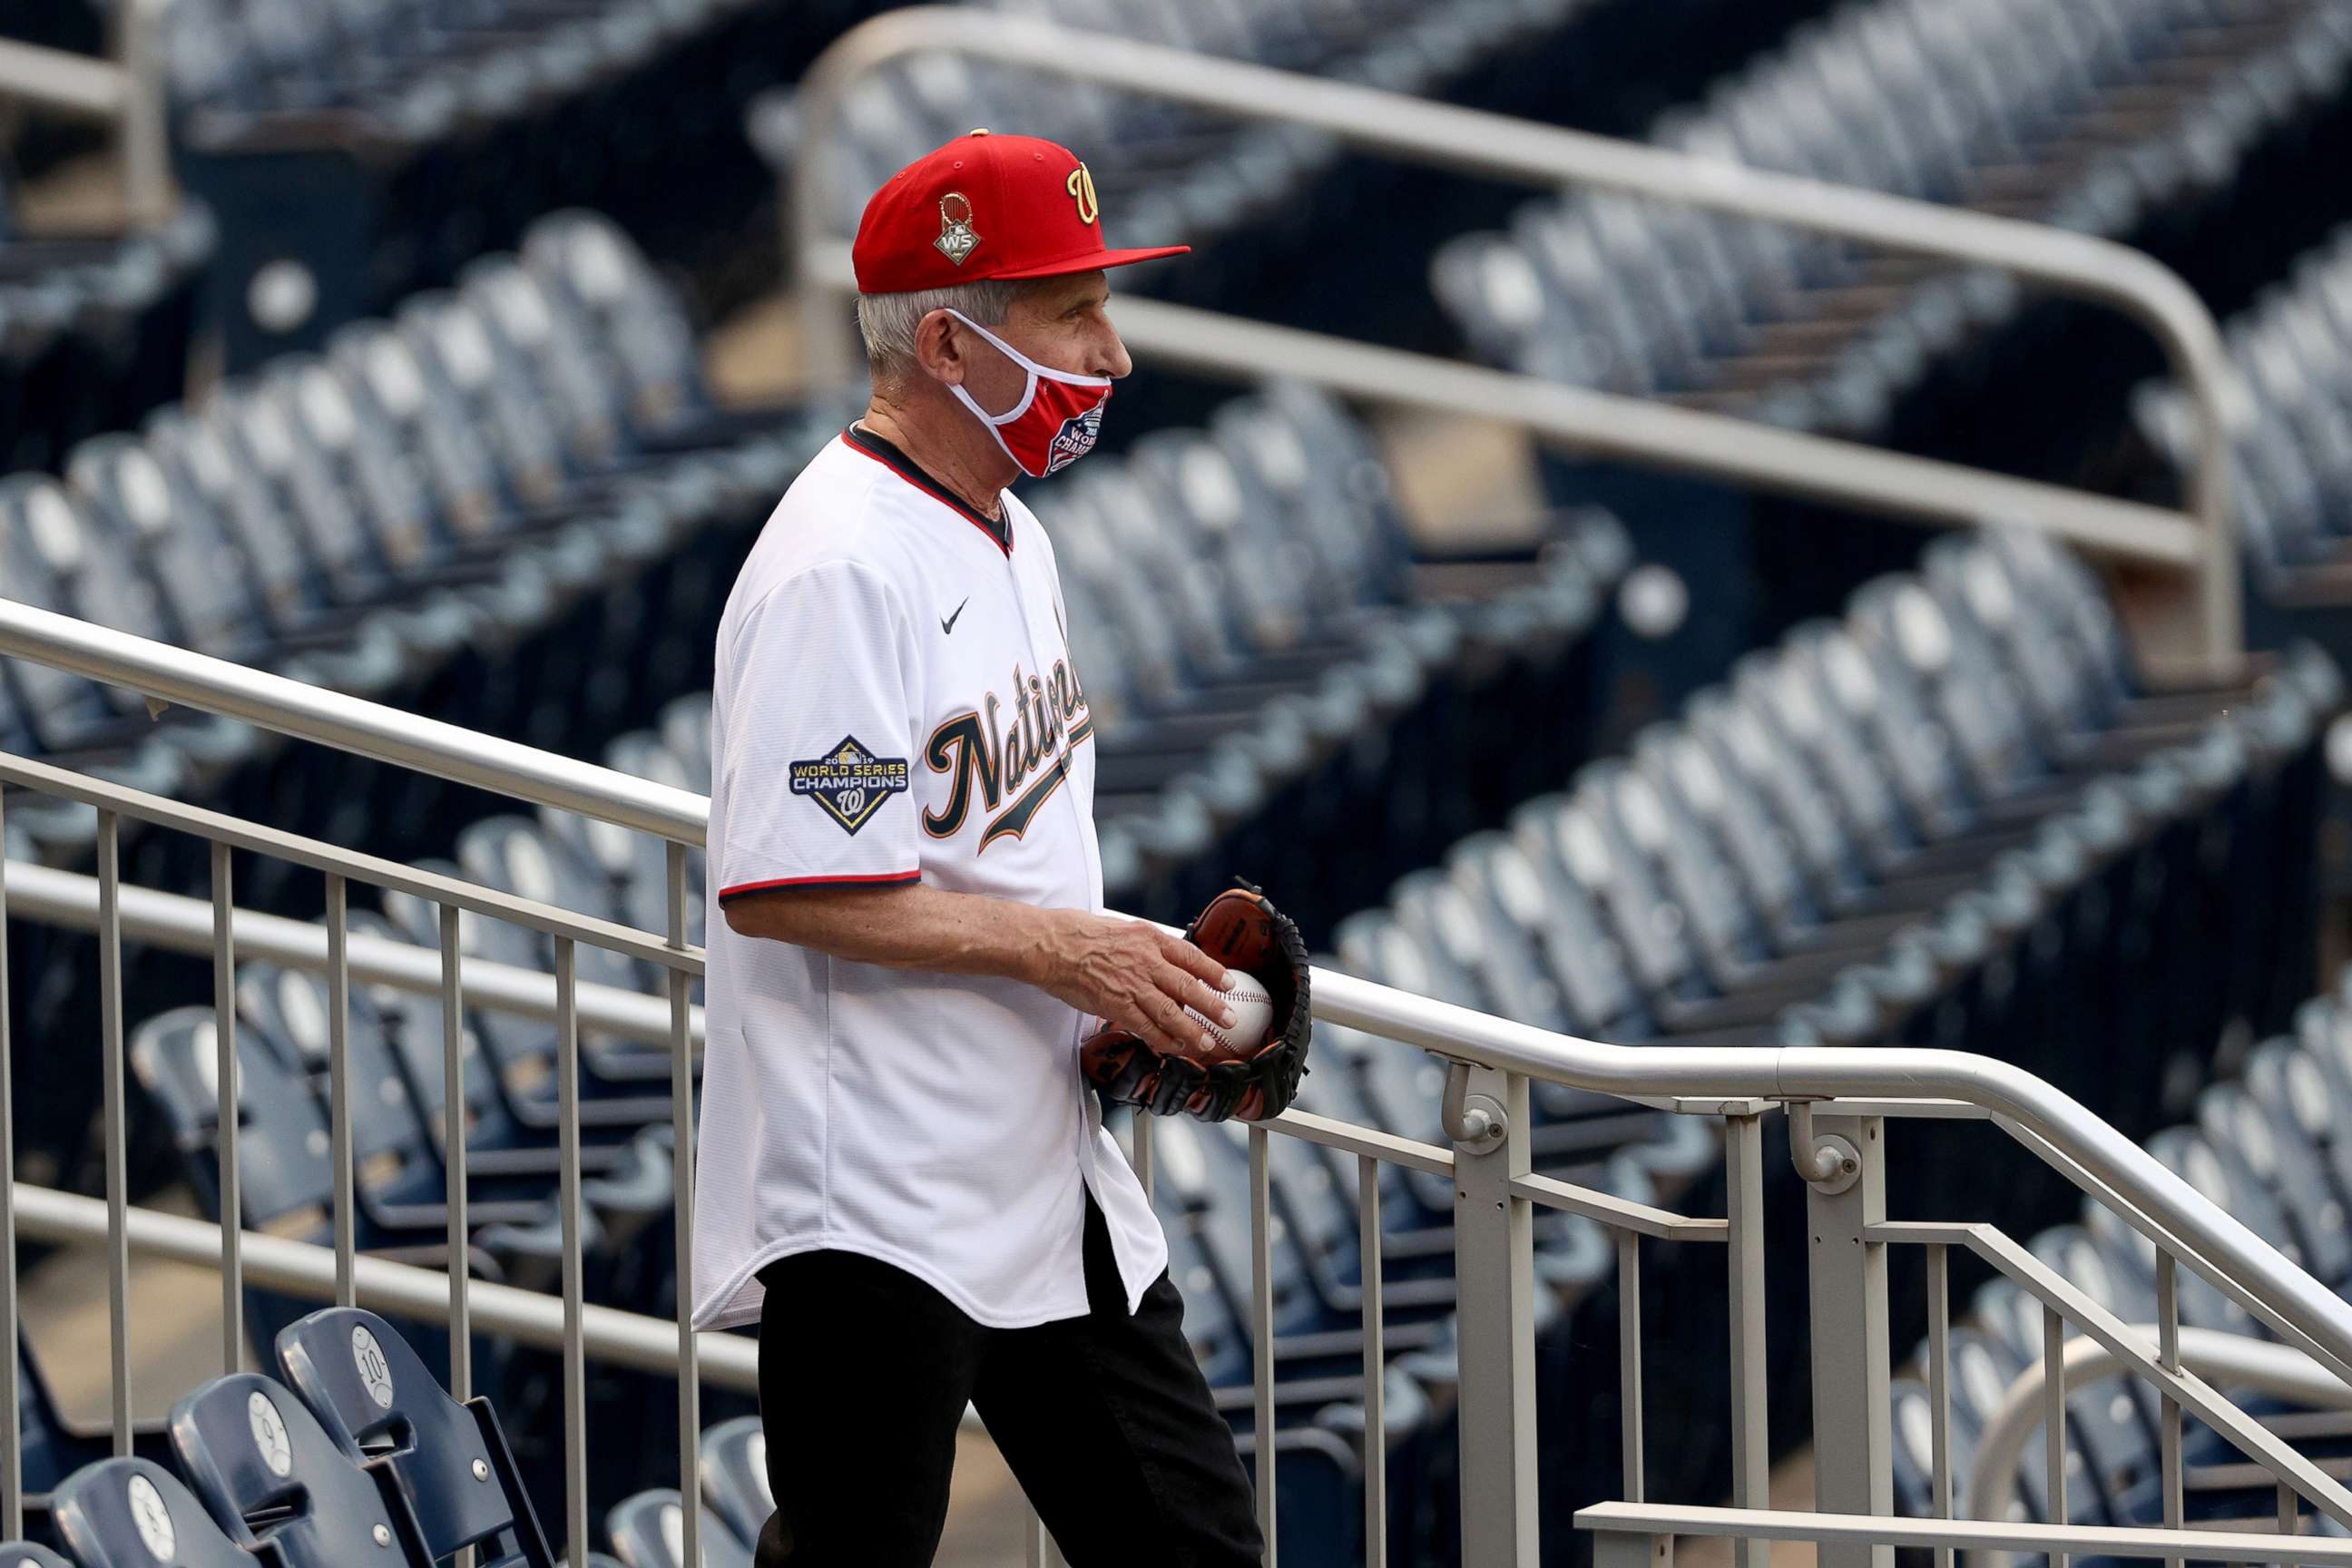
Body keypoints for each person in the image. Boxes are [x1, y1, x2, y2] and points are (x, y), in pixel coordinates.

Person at [691, 131, 1266, 1567]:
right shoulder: (840, 564)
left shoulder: (1014, 532)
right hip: (876, 1189)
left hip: (1036, 1155)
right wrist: (1072, 952)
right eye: (1072, 312)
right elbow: (791, 884)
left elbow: (1000, 857)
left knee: (1196, 1541)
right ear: (948, 340)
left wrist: (1120, 1001)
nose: (1112, 355)